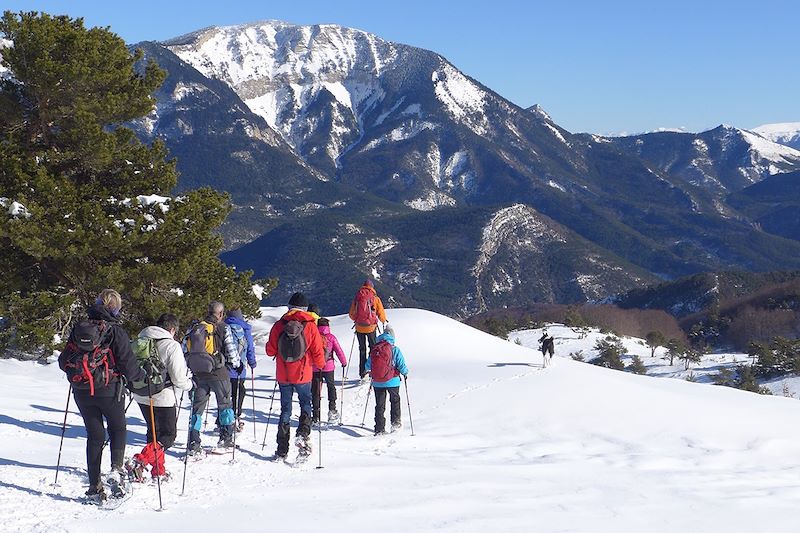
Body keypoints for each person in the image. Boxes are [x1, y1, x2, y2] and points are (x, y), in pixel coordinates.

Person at [58, 289, 146, 500]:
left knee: (95, 436)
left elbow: (63, 360)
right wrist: (142, 376)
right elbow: (128, 364)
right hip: (109, 389)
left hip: (82, 390)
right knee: (118, 428)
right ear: (116, 308)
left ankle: (94, 486)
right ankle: (116, 470)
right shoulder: (115, 331)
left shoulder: (79, 328)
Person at [127, 313, 193, 481]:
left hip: (141, 394)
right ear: (172, 329)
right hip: (163, 396)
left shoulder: (140, 341)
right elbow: (178, 377)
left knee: (153, 433)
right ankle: (140, 461)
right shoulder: (172, 346)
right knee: (168, 436)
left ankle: (159, 471)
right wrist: (190, 385)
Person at [265, 292, 325, 459]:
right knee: (306, 404)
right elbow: (317, 351)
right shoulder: (310, 326)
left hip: (283, 375)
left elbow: (269, 351)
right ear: (305, 309)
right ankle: (303, 434)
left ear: (289, 307)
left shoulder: (279, 325)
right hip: (303, 374)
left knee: (285, 410)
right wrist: (320, 366)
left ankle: (282, 449)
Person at [185, 301, 241, 454]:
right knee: (225, 405)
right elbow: (231, 350)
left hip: (198, 374)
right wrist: (236, 364)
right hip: (218, 373)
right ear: (221, 314)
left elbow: (186, 348)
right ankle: (226, 438)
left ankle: (193, 442)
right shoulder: (223, 327)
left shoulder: (196, 328)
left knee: (197, 409)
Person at [365, 325, 408, 435]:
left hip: (377, 382)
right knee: (395, 401)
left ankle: (379, 428)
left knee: (380, 405)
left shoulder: (376, 348)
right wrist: (405, 373)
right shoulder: (395, 349)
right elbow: (401, 364)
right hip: (393, 380)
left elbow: (367, 365)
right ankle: (395, 424)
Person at [224, 306, 257, 432]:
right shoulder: (245, 328)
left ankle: (224, 420)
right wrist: (252, 362)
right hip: (240, 368)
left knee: (226, 395)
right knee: (239, 393)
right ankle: (236, 417)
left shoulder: (223, 327)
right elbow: (250, 348)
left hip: (224, 368)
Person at [348, 280, 387, 379]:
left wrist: (357, 320)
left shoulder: (358, 298)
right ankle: (372, 369)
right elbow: (380, 312)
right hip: (371, 327)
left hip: (359, 327)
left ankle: (362, 372)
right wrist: (383, 320)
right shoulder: (375, 298)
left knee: (362, 349)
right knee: (373, 349)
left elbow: (351, 314)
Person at [312, 317, 347, 424]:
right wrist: (343, 362)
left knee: (316, 390)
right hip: (328, 366)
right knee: (331, 387)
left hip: (315, 367)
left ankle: (315, 416)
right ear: (328, 326)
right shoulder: (331, 337)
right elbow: (338, 351)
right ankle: (332, 411)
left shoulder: (313, 336)